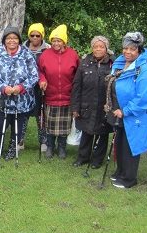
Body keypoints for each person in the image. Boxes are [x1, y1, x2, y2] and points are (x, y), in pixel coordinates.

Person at [106, 31, 147, 189]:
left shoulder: (143, 69)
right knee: (121, 142)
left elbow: (144, 97)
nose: (128, 52)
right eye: (125, 48)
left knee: (131, 145)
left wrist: (126, 111)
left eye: (132, 49)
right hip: (120, 111)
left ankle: (129, 178)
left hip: (133, 114)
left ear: (139, 50)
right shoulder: (120, 62)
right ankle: (120, 172)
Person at [0, 26, 39, 160]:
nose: (12, 41)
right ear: (4, 40)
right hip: (2, 98)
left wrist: (21, 87)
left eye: (15, 38)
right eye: (9, 38)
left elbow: (34, 76)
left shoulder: (26, 54)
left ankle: (12, 149)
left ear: (19, 40)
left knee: (18, 127)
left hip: (21, 99)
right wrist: (3, 87)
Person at [70, 36, 114, 168]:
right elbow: (77, 86)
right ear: (92, 48)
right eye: (96, 46)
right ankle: (82, 157)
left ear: (106, 48)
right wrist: (75, 107)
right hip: (86, 104)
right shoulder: (84, 62)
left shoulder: (113, 64)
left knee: (102, 134)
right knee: (86, 132)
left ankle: (97, 160)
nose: (98, 49)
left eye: (101, 46)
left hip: (104, 106)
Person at [38, 24, 79, 159]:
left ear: (64, 41)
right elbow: (40, 71)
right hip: (50, 95)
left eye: (59, 40)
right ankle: (50, 146)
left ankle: (61, 147)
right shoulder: (45, 55)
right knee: (49, 124)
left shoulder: (73, 54)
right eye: (54, 40)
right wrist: (42, 79)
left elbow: (78, 73)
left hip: (67, 96)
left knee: (64, 126)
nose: (56, 43)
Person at [23, 23, 50, 151]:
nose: (34, 38)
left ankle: (43, 141)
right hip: (25, 87)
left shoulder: (48, 49)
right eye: (32, 35)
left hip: (41, 87)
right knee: (24, 114)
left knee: (41, 114)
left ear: (42, 36)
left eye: (37, 35)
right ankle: (20, 141)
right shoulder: (21, 48)